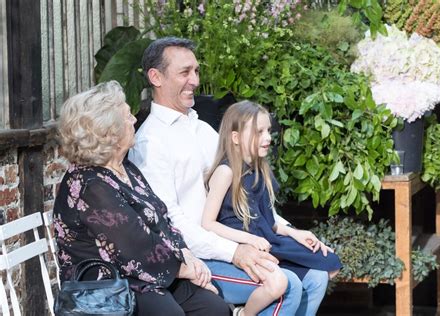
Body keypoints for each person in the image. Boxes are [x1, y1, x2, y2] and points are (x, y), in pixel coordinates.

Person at [129, 36, 332, 316]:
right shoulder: (149, 143)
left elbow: (248, 195)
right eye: (185, 72)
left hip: (238, 240)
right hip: (197, 258)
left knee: (316, 277)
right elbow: (170, 223)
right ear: (156, 77)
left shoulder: (204, 130)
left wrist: (289, 229)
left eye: (196, 71)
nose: (195, 81)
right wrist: (234, 251)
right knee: (290, 285)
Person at [53, 81, 230, 316]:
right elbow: (134, 244)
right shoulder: (89, 185)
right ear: (109, 132)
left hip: (147, 272)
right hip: (107, 285)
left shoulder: (125, 168)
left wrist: (185, 253)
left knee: (214, 308)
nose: (135, 120)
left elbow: (160, 217)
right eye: (128, 117)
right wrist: (187, 269)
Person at [202, 101, 343, 315]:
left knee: (328, 265)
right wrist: (249, 239)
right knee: (289, 281)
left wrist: (294, 233)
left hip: (267, 240)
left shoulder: (259, 169)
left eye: (268, 130)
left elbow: (268, 219)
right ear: (236, 137)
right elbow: (208, 223)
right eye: (259, 132)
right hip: (243, 246)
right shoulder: (226, 172)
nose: (268, 137)